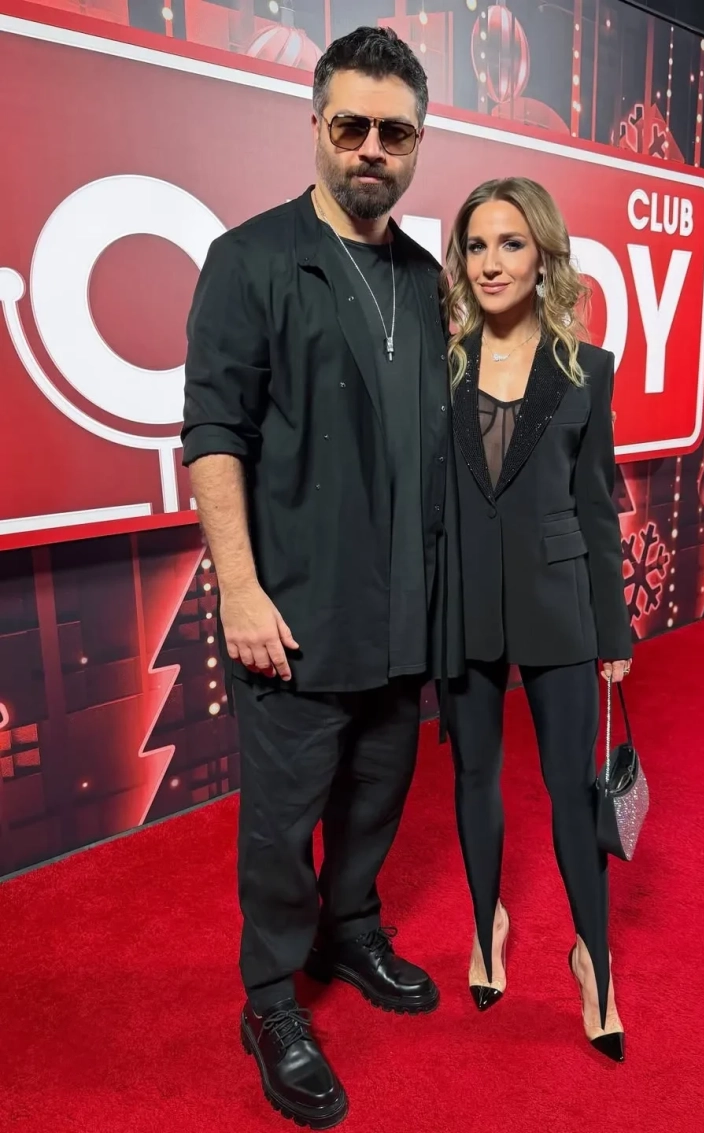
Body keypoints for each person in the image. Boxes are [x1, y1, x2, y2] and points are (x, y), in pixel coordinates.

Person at [182, 26, 463, 1129]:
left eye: (395, 132)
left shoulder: (429, 280)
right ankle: (269, 999)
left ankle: (349, 932)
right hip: (293, 609)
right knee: (281, 818)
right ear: (316, 126)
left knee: (377, 795)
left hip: (404, 611)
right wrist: (240, 589)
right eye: (351, 126)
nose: (371, 149)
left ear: (418, 142)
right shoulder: (250, 260)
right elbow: (213, 433)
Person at [441, 178, 633, 1062]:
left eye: (510, 244)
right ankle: (487, 925)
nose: (491, 263)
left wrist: (614, 632)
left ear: (543, 256)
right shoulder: (443, 365)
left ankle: (595, 961)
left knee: (571, 790)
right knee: (474, 776)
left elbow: (596, 507)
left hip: (560, 607)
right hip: (463, 605)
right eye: (477, 246)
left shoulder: (586, 368)